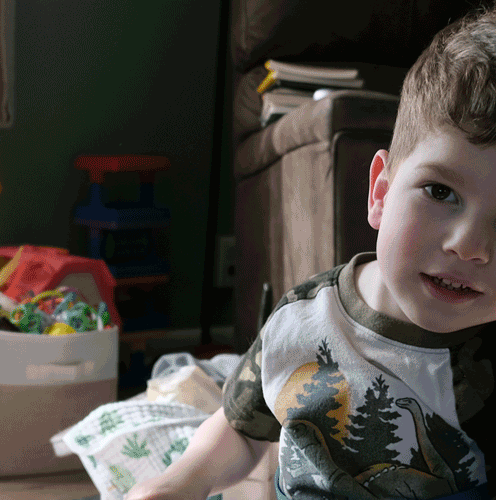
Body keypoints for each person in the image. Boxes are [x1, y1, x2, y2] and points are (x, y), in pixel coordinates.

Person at [125, 6, 496, 500]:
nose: (469, 245)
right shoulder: (305, 319)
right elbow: (241, 426)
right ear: (380, 193)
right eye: (440, 192)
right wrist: (179, 482)